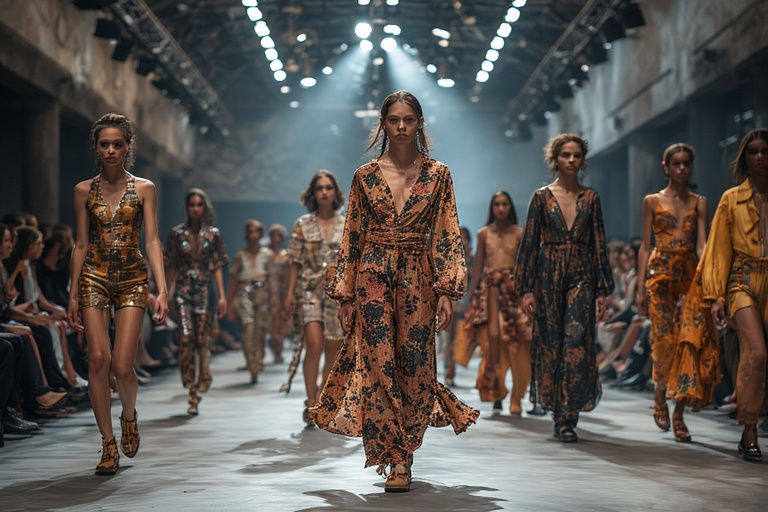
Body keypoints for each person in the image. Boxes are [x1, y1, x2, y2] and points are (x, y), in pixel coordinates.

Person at [311, 91, 479, 492]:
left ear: (420, 123)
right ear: (383, 125)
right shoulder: (364, 176)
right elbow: (351, 235)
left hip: (419, 277)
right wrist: (346, 295)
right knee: (378, 363)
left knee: (415, 365)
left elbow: (446, 231)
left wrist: (445, 290)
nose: (401, 126)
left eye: (408, 119)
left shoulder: (439, 175)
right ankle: (397, 458)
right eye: (393, 120)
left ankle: (405, 448)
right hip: (372, 275)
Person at [67, 113, 169, 475]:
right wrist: (71, 294)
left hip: (132, 276)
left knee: (123, 366)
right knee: (98, 360)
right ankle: (107, 444)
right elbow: (80, 243)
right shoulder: (83, 190)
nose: (110, 150)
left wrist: (162, 288)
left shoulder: (144, 188)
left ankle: (128, 415)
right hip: (93, 274)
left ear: (128, 147)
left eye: (117, 144)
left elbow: (152, 240)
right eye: (104, 144)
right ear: (96, 148)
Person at [515, 133, 614, 443]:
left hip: (583, 275)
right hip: (548, 276)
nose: (571, 160)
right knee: (551, 344)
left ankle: (568, 417)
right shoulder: (541, 197)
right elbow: (529, 243)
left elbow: (599, 242)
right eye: (565, 155)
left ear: (582, 160)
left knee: (576, 343)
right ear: (554, 159)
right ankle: (558, 410)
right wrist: (526, 288)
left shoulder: (591, 198)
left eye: (576, 155)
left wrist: (603, 290)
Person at [635, 143, 708, 442]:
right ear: (665, 166)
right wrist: (640, 286)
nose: (681, 168)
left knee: (689, 341)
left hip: (690, 274)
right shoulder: (651, 201)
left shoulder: (699, 202)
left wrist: (707, 279)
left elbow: (702, 243)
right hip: (659, 275)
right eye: (676, 163)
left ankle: (678, 414)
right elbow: (645, 245)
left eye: (686, 164)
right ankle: (658, 397)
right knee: (664, 339)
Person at [703, 128, 768, 462]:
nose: (759, 157)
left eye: (764, 151)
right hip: (742, 279)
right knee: (756, 353)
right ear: (744, 157)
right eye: (752, 152)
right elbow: (718, 249)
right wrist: (716, 295)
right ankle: (750, 429)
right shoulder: (731, 198)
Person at [282, 171, 345, 422]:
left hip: (338, 294)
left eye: (329, 187)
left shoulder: (347, 223)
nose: (324, 192)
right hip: (309, 290)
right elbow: (295, 262)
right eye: (319, 187)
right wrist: (289, 293)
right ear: (313, 192)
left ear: (335, 192)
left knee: (333, 346)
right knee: (315, 344)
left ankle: (321, 394)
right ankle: (311, 401)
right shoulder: (303, 224)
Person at [466, 191, 532, 414]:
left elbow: (523, 266)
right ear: (492, 207)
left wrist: (528, 293)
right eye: (497, 204)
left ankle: (516, 397)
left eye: (505, 204)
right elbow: (478, 266)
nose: (501, 208)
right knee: (493, 339)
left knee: (517, 344)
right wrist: (471, 294)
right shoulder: (484, 233)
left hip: (513, 292)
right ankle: (496, 389)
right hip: (491, 291)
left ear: (510, 207)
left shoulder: (519, 233)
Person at [164, 188, 227, 415]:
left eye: (199, 204)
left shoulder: (213, 234)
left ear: (205, 207)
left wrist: (222, 296)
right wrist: (166, 293)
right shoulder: (176, 234)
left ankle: (204, 373)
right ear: (186, 207)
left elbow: (217, 266)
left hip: (204, 291)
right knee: (186, 338)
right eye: (192, 204)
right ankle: (191, 391)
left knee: (202, 338)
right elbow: (170, 265)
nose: (195, 208)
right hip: (182, 290)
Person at [226, 220, 275, 384]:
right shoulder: (240, 255)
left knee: (261, 330)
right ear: (246, 235)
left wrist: (276, 302)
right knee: (248, 327)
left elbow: (272, 279)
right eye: (250, 232)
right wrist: (229, 303)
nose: (253, 235)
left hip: (263, 293)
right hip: (244, 292)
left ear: (260, 234)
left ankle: (258, 360)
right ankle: (252, 364)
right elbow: (233, 280)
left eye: (256, 232)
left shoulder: (267, 255)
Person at [267, 224, 290, 363]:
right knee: (270, 324)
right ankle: (273, 349)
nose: (276, 238)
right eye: (273, 235)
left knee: (280, 324)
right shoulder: (265, 254)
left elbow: (289, 275)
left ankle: (278, 352)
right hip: (267, 292)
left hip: (282, 292)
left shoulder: (286, 256)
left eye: (278, 235)